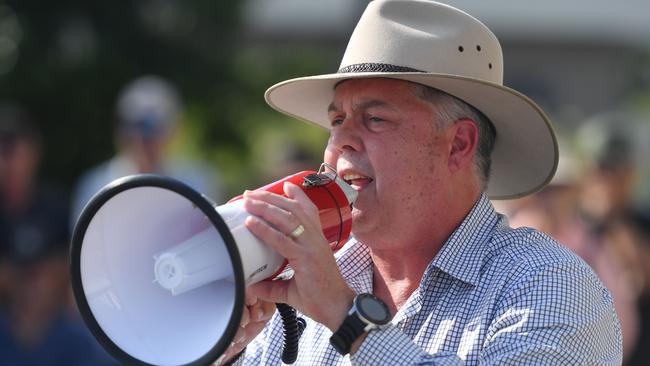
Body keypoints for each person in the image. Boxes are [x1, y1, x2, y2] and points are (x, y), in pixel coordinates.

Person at [222, 1, 622, 365]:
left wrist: (347, 317)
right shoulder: (313, 278)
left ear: (458, 144)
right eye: (337, 121)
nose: (341, 140)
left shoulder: (548, 283)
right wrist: (222, 342)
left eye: (375, 119)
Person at [70, 75, 223, 227]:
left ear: (175, 130)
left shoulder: (198, 180)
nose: (144, 140)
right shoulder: (94, 186)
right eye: (136, 127)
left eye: (156, 127)